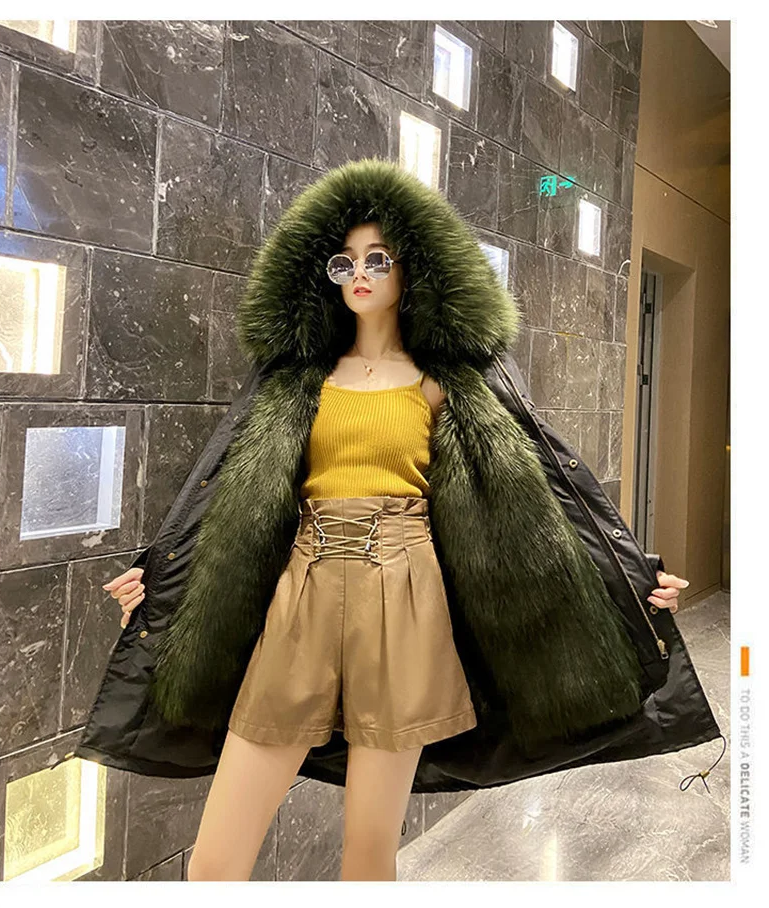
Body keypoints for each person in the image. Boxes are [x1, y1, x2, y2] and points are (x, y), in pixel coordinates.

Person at [93, 157, 718, 884]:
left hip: (405, 598)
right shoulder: (298, 381)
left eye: (378, 258)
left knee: (368, 858)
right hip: (301, 596)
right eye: (345, 261)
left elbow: (536, 500)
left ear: (414, 268)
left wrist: (633, 580)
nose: (359, 273)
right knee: (213, 863)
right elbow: (226, 497)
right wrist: (163, 586)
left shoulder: (444, 385)